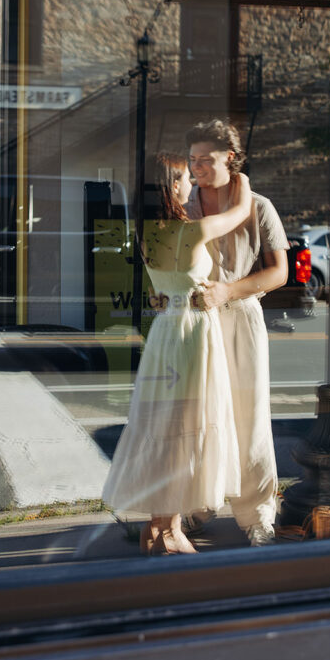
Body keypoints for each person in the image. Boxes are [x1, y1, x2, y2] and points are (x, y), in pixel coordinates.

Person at [102, 152, 253, 555]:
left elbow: (161, 285)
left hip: (166, 329)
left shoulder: (147, 232)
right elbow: (240, 211)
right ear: (171, 186)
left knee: (165, 427)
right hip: (191, 333)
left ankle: (157, 527)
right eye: (187, 177)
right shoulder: (190, 232)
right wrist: (240, 179)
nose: (192, 183)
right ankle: (168, 532)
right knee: (184, 429)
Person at [185, 120, 288, 546]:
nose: (196, 169)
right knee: (196, 416)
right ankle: (196, 506)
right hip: (193, 320)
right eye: (192, 160)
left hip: (242, 315)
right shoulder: (182, 205)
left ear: (230, 157)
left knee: (249, 417)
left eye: (205, 160)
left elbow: (279, 272)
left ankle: (257, 516)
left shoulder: (259, 206)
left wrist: (228, 290)